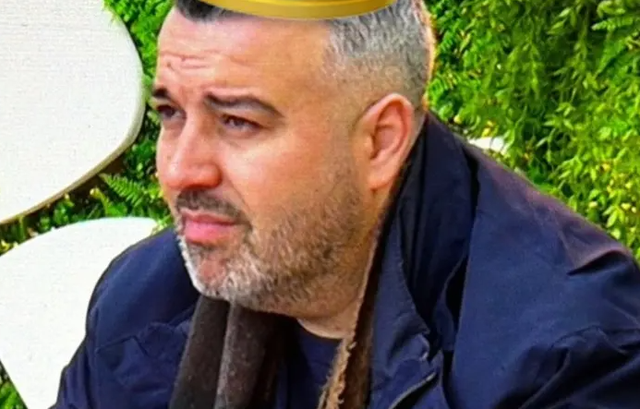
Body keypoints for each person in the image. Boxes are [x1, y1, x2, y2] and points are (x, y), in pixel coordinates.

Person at [51, 0, 640, 408]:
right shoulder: (144, 304)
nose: (181, 170)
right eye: (171, 114)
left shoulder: (568, 358)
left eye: (237, 121)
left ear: (381, 140)